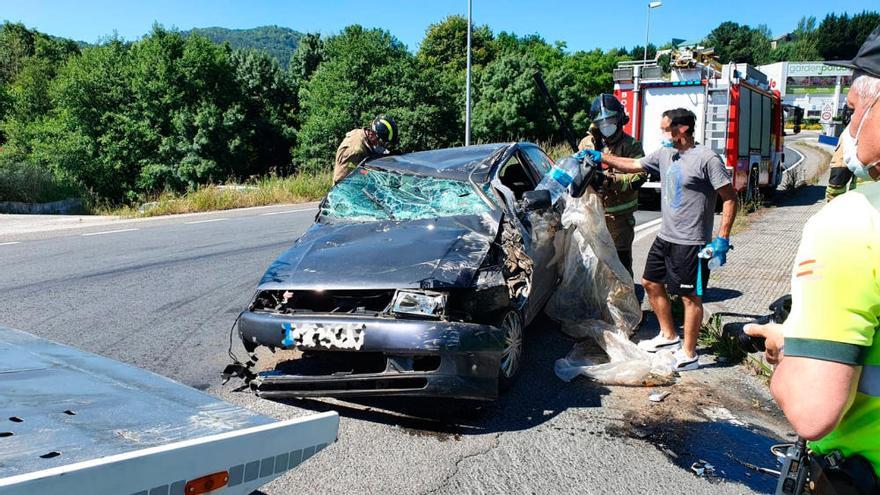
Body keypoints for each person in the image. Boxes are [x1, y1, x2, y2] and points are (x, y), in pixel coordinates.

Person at [745, 26, 880, 492]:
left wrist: (787, 347)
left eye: (855, 110)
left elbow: (811, 412)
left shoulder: (856, 222)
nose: (849, 125)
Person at [581, 108, 737, 371]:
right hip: (665, 236)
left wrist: (722, 238)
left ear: (683, 129)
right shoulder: (666, 154)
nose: (662, 133)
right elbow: (633, 164)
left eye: (666, 129)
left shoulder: (707, 158)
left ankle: (689, 354)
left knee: (690, 297)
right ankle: (668, 336)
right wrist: (601, 157)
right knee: (650, 283)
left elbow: (730, 197)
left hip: (692, 241)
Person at [578, 94, 646, 277]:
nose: (606, 125)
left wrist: (609, 181)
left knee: (620, 264)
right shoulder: (587, 144)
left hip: (619, 218)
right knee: (593, 263)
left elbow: (639, 177)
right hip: (593, 214)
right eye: (601, 121)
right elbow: (578, 170)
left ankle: (626, 302)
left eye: (610, 120)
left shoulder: (631, 145)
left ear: (620, 118)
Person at [333, 115, 398, 184]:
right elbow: (356, 174)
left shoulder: (366, 136)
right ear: (372, 134)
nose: (383, 147)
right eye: (381, 143)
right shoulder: (355, 151)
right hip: (346, 189)